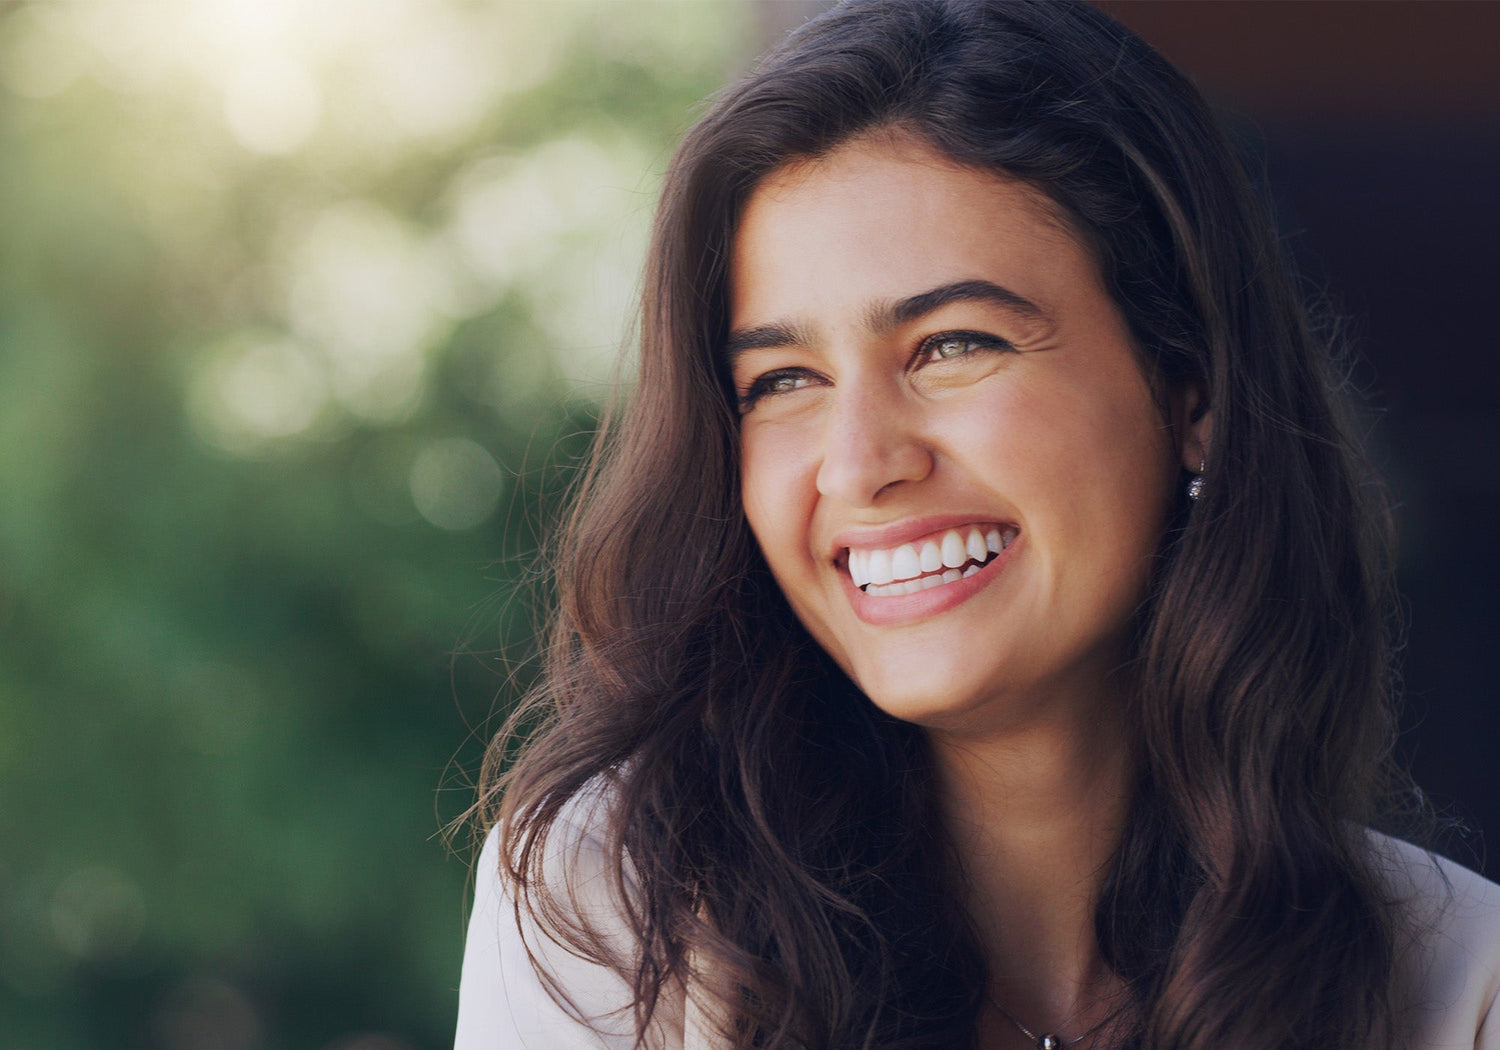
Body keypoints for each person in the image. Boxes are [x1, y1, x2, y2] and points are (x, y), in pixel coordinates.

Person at [455, 2, 1500, 1047]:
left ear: (1192, 397)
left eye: (953, 345)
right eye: (781, 378)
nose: (860, 463)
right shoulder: (616, 919)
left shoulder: (1458, 982)